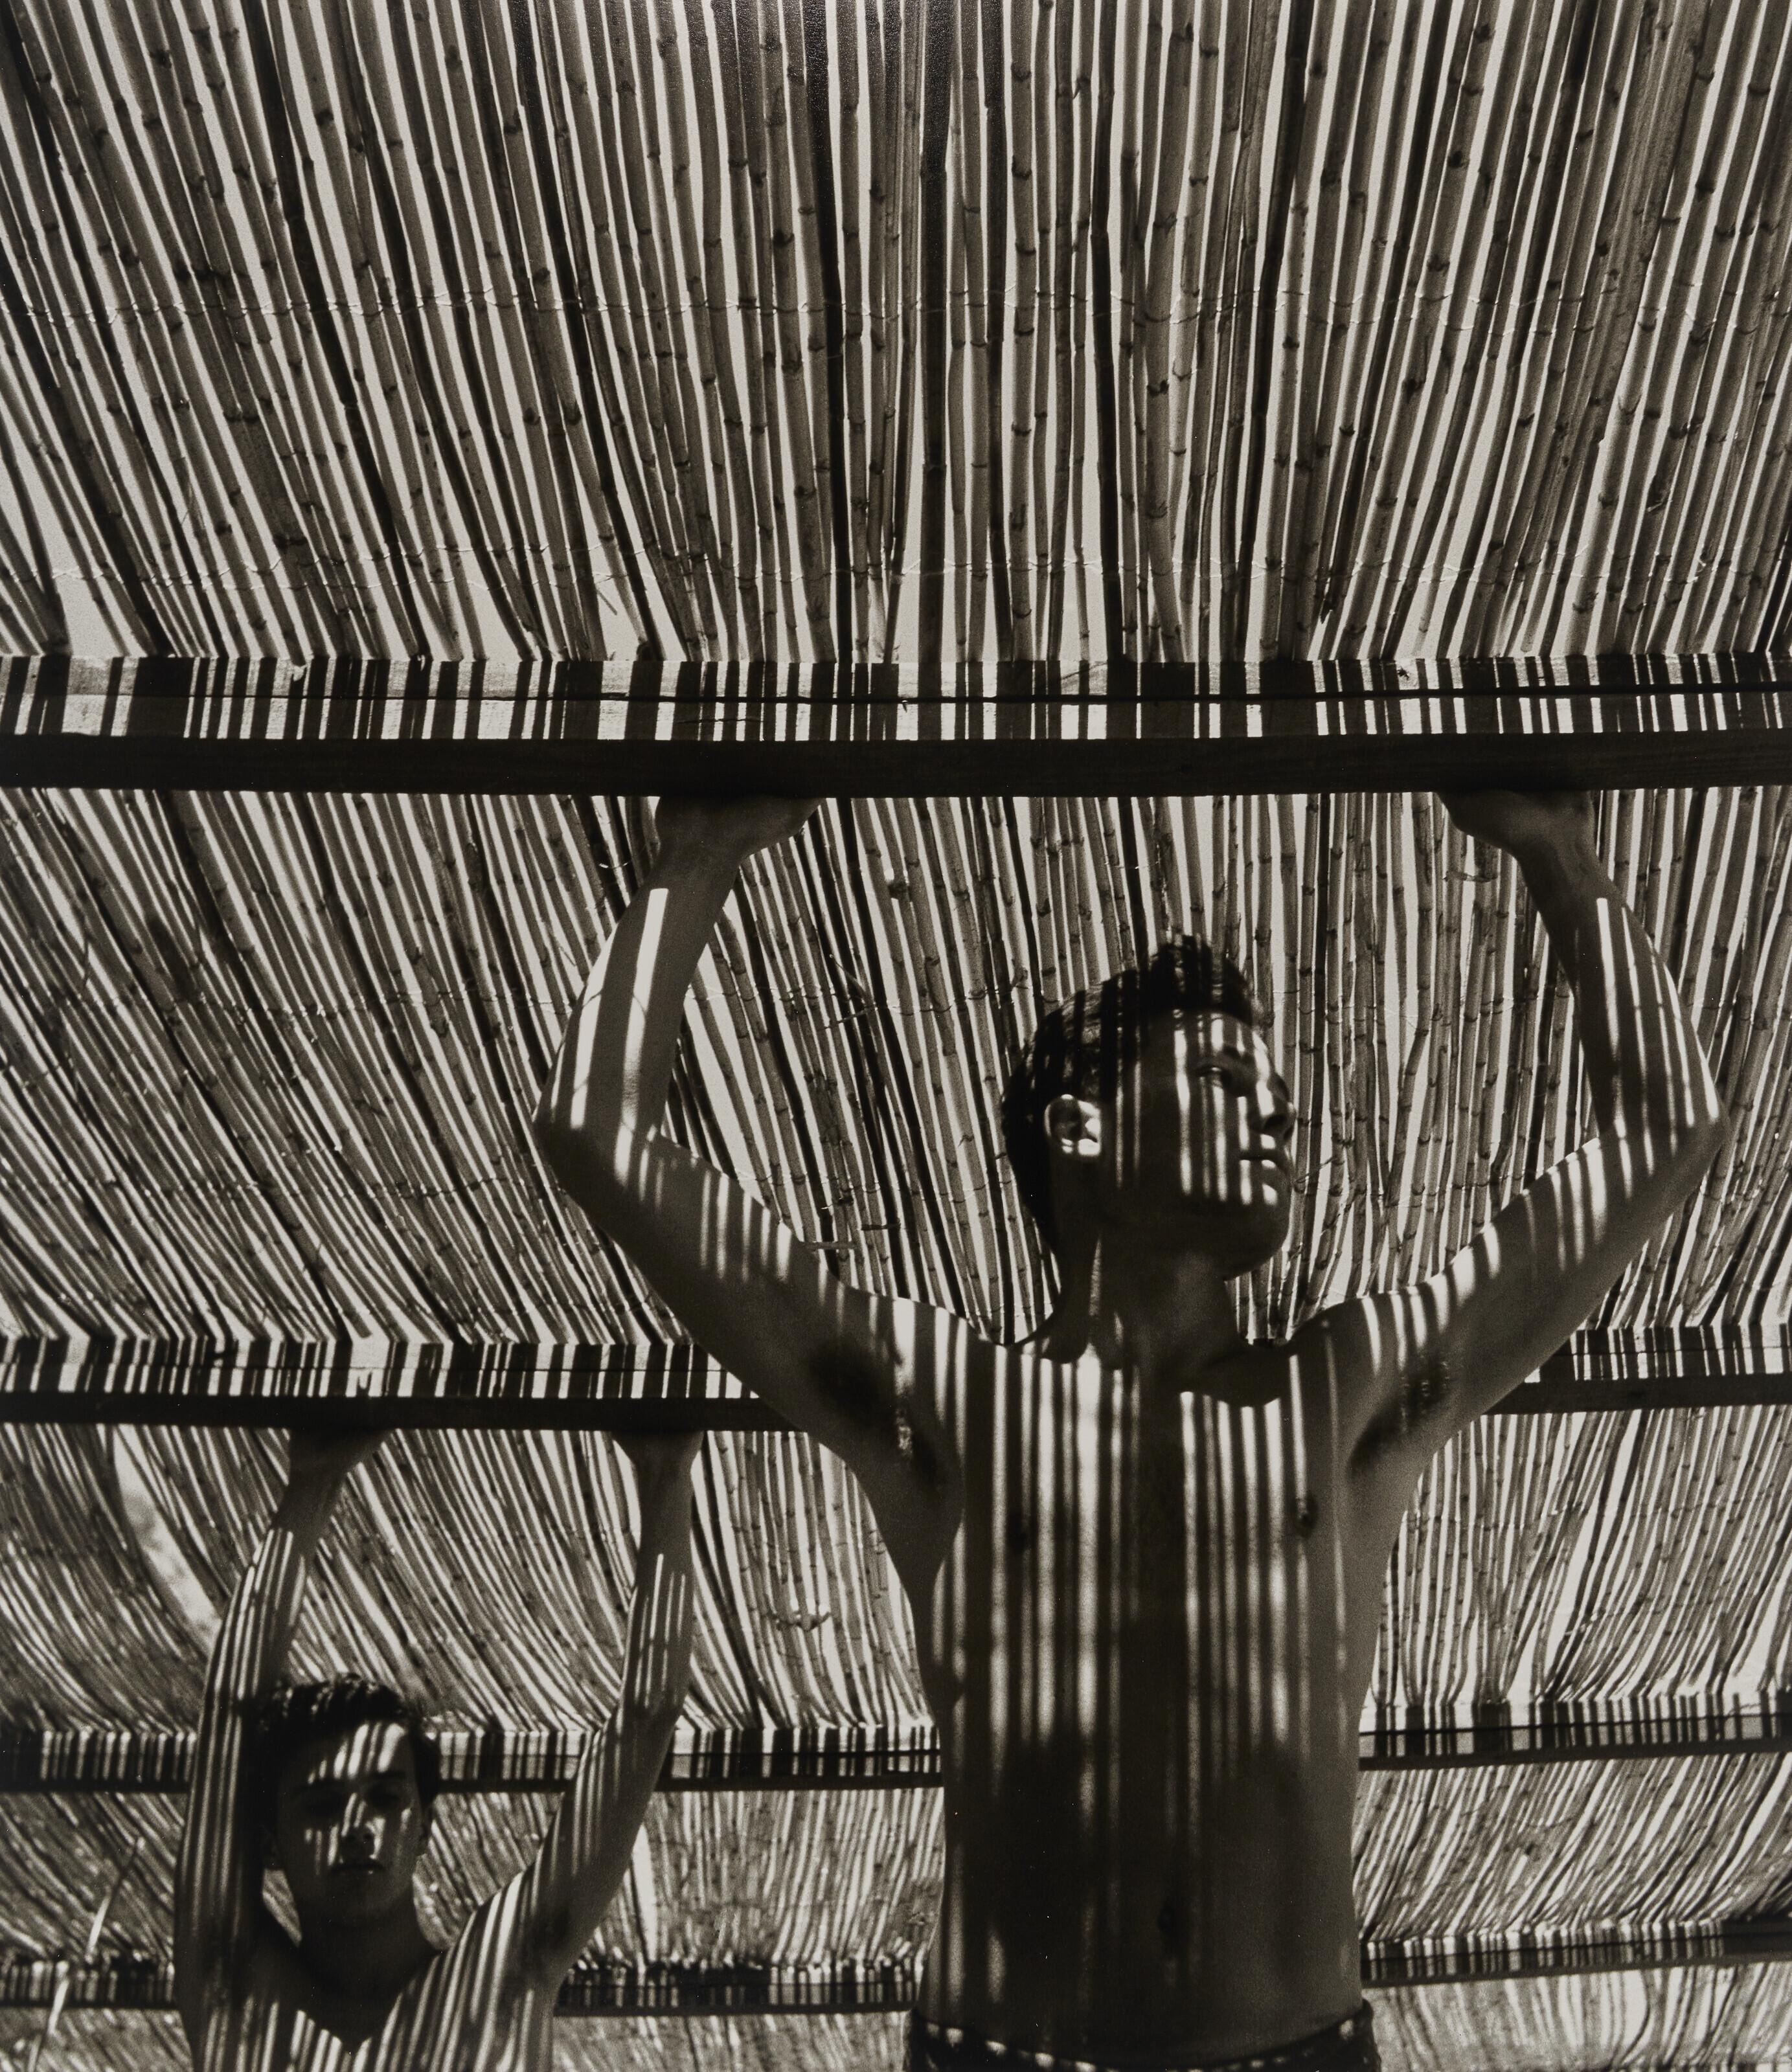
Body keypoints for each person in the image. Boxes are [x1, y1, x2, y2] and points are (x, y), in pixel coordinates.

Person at [532, 791, 1725, 2072]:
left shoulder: (1342, 1391)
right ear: (1080, 1126)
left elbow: (1668, 1129)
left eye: (1277, 1089)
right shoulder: (952, 1401)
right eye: (1221, 1074)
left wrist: (1557, 849)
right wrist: (700, 852)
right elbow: (600, 1136)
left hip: (1295, 2051)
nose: (1274, 1109)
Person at [173, 1424, 699, 2070]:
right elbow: (227, 1711)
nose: (357, 1827)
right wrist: (312, 1482)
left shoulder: (501, 1971)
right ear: (270, 1839)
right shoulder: (238, 1986)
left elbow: (647, 1717)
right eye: (319, 1804)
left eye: (387, 1796)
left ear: (423, 1822)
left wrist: (664, 1468)